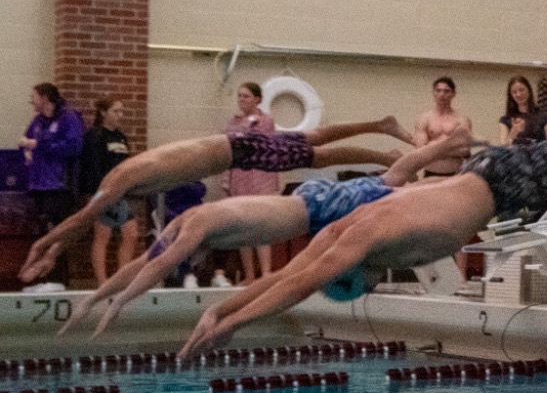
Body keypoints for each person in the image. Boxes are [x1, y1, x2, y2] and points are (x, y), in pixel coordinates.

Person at [176, 83, 547, 354]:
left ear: (355, 277)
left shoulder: (360, 242)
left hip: (501, 180)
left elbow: (295, 286)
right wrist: (223, 310)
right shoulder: (347, 240)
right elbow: (285, 278)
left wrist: (229, 324)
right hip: (488, 181)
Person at [67, 132, 474, 337]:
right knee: (393, 179)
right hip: (313, 206)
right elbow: (152, 263)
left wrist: (110, 304)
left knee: (394, 180)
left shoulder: (197, 226)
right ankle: (447, 151)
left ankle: (450, 151)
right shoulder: (195, 227)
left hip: (315, 205)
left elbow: (157, 263)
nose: (190, 262)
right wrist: (103, 301)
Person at [16, 115, 411, 284]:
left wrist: (44, 247)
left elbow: (85, 218)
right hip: (233, 148)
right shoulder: (126, 179)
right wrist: (50, 249)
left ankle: (382, 144)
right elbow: (85, 219)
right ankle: (382, 138)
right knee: (314, 145)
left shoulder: (120, 178)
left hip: (235, 149)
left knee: (315, 149)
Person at [20, 84, 85, 264]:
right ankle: (41, 277)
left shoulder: (68, 118)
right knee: (42, 232)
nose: (31, 101)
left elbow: (74, 147)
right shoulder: (38, 121)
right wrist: (26, 149)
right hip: (39, 184)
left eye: (34, 97)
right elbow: (27, 139)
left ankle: (56, 279)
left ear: (45, 97)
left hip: (60, 186)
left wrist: (39, 146)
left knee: (56, 233)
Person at [79, 99, 141, 286]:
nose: (120, 115)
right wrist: (98, 194)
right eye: (116, 111)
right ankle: (102, 282)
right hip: (102, 191)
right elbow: (92, 167)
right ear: (104, 112)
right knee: (103, 234)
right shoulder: (95, 136)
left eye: (122, 111)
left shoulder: (121, 137)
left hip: (120, 192)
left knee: (131, 233)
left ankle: (121, 279)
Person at [226, 83, 282, 281]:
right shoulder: (233, 122)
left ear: (257, 100)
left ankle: (265, 272)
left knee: (260, 226)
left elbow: (254, 139)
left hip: (260, 178)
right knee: (243, 228)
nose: (241, 100)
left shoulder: (266, 121)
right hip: (240, 177)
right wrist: (227, 181)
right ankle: (249, 275)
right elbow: (229, 151)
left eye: (246, 97)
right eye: (239, 96)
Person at [413, 76, 474, 175]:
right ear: (434, 93)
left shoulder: (462, 119)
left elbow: (465, 150)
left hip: (455, 174)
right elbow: (421, 149)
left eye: (446, 91)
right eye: (438, 90)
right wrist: (451, 147)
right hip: (431, 173)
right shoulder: (424, 118)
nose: (442, 94)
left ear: (453, 94)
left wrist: (433, 146)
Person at [501, 75, 547, 146]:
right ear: (511, 96)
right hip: (515, 156)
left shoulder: (546, 117)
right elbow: (503, 150)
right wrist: (514, 131)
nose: (518, 94)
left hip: (539, 156)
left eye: (521, 90)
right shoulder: (505, 119)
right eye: (514, 92)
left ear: (529, 90)